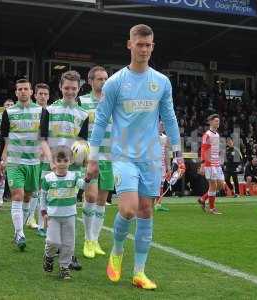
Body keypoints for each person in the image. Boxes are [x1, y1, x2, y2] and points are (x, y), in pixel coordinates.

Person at [86, 24, 184, 290]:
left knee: (145, 211)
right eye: (139, 44)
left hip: (151, 158)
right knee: (128, 208)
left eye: (148, 45)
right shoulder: (115, 82)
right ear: (129, 45)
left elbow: (170, 118)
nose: (144, 49)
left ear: (153, 46)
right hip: (123, 156)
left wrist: (178, 153)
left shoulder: (161, 82)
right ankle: (117, 252)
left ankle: (139, 272)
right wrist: (93, 158)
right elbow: (101, 120)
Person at [0, 79, 52, 251]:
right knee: (18, 196)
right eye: (19, 89)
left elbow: (43, 139)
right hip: (15, 162)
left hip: (34, 162)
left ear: (31, 92)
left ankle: (18, 230)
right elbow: (3, 138)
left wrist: (50, 158)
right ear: (16, 92)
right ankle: (20, 233)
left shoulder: (42, 112)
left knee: (28, 197)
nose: (23, 92)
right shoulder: (8, 112)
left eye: (26, 89)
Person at [40, 71, 89, 270]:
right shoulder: (49, 110)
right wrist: (51, 160)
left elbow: (83, 143)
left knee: (68, 210)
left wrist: (84, 161)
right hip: (51, 167)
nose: (70, 91)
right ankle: (56, 250)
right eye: (66, 88)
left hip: (73, 170)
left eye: (74, 88)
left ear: (79, 89)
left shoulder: (83, 114)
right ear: (60, 87)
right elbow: (42, 139)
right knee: (53, 209)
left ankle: (67, 252)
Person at [79, 66, 113, 258]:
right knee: (90, 197)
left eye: (106, 78)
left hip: (110, 156)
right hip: (91, 157)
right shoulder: (82, 102)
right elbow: (78, 129)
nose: (103, 82)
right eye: (99, 79)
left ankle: (95, 239)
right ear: (90, 81)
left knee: (101, 200)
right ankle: (87, 239)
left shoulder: (114, 102)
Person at [41, 146, 89, 280]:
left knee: (68, 243)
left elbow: (82, 185)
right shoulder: (48, 178)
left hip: (69, 215)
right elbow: (43, 196)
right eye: (59, 160)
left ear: (70, 161)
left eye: (65, 160)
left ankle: (64, 267)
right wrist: (44, 212)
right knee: (53, 241)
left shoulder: (74, 176)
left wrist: (88, 178)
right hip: (53, 216)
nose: (62, 163)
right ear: (54, 162)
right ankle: (49, 256)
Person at [26, 83, 51, 236]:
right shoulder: (31, 112)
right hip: (32, 155)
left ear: (48, 96)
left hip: (47, 156)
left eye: (45, 94)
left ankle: (41, 223)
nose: (42, 96)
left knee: (44, 189)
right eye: (40, 93)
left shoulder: (50, 112)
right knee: (33, 190)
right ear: (35, 95)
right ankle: (30, 218)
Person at [198, 114, 224, 214]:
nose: (218, 123)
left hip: (217, 163)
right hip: (209, 163)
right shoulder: (207, 135)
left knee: (221, 185)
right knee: (213, 185)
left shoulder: (217, 134)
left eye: (219, 121)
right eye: (216, 121)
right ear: (211, 122)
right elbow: (203, 150)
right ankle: (212, 208)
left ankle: (203, 199)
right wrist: (202, 164)